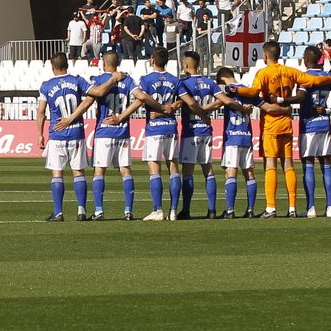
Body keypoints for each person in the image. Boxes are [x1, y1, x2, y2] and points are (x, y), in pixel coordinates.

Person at [244, 41, 331, 218]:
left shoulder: (263, 73)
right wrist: (330, 78)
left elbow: (254, 91)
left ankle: (271, 208)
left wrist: (238, 92)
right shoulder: (291, 72)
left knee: (271, 164)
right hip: (287, 123)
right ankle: (292, 208)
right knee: (288, 164)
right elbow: (313, 80)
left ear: (266, 56)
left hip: (271, 124)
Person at [55, 52, 138, 221]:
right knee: (126, 170)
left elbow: (88, 101)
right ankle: (128, 211)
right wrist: (123, 117)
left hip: (104, 131)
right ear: (118, 63)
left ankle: (99, 211)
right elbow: (140, 98)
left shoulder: (99, 80)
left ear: (103, 63)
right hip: (123, 131)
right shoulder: (128, 80)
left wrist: (71, 118)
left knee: (99, 171)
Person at [36, 52, 89, 222]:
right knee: (78, 172)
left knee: (57, 173)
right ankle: (81, 210)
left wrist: (40, 134)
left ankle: (58, 212)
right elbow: (92, 95)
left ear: (53, 67)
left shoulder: (46, 86)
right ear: (67, 65)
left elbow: (41, 111)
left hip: (57, 134)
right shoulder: (77, 81)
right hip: (77, 131)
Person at [133, 46, 183, 221]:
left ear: (152, 60)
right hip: (171, 127)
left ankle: (158, 210)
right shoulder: (175, 80)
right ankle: (174, 210)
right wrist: (169, 109)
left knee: (154, 168)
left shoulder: (146, 79)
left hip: (154, 128)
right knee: (174, 168)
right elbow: (182, 101)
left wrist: (160, 110)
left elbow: (141, 98)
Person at [293, 44, 331, 218]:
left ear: (306, 59)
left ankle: (311, 207)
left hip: (309, 124)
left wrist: (284, 100)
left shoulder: (304, 77)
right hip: (325, 123)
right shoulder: (327, 76)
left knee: (308, 164)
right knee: (326, 164)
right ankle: (330, 207)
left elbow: (301, 97)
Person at [176, 51, 221, 220]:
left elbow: (184, 103)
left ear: (186, 66)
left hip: (191, 131)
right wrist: (207, 111)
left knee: (188, 172)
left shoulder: (184, 83)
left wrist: (200, 112)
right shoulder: (209, 82)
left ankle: (186, 210)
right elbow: (220, 101)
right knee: (208, 170)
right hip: (206, 132)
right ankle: (212, 210)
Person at [212, 68, 259, 219]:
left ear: (222, 80)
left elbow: (216, 105)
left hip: (232, 136)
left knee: (231, 172)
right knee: (249, 173)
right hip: (246, 135)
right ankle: (250, 210)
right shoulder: (247, 90)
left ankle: (230, 210)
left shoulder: (227, 92)